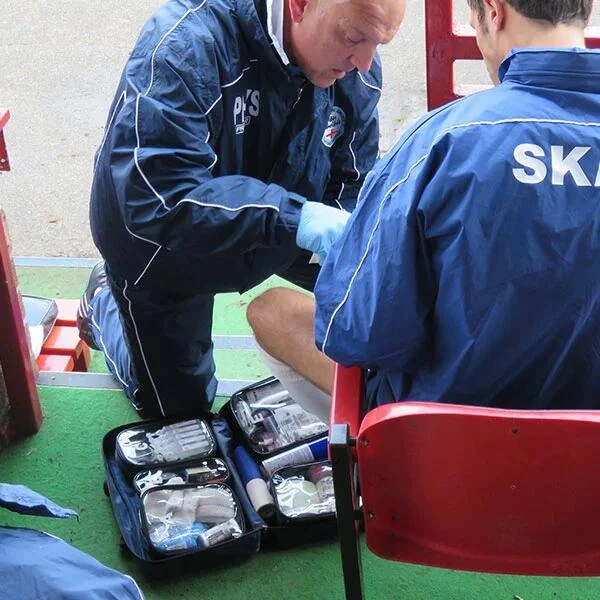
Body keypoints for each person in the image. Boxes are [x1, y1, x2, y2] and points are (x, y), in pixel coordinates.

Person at [247, 0, 600, 424]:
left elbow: (358, 334)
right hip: (588, 447)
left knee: (272, 310)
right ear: (587, 11)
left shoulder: (441, 140)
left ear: (494, 12)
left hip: (440, 438)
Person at [77, 0, 406, 417]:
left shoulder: (355, 67)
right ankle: (103, 303)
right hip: (167, 244)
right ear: (299, 5)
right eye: (354, 38)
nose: (365, 62)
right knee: (180, 416)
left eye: (379, 44)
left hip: (285, 224)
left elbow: (351, 177)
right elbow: (161, 195)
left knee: (384, 287)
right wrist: (295, 219)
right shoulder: (184, 46)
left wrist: (347, 239)